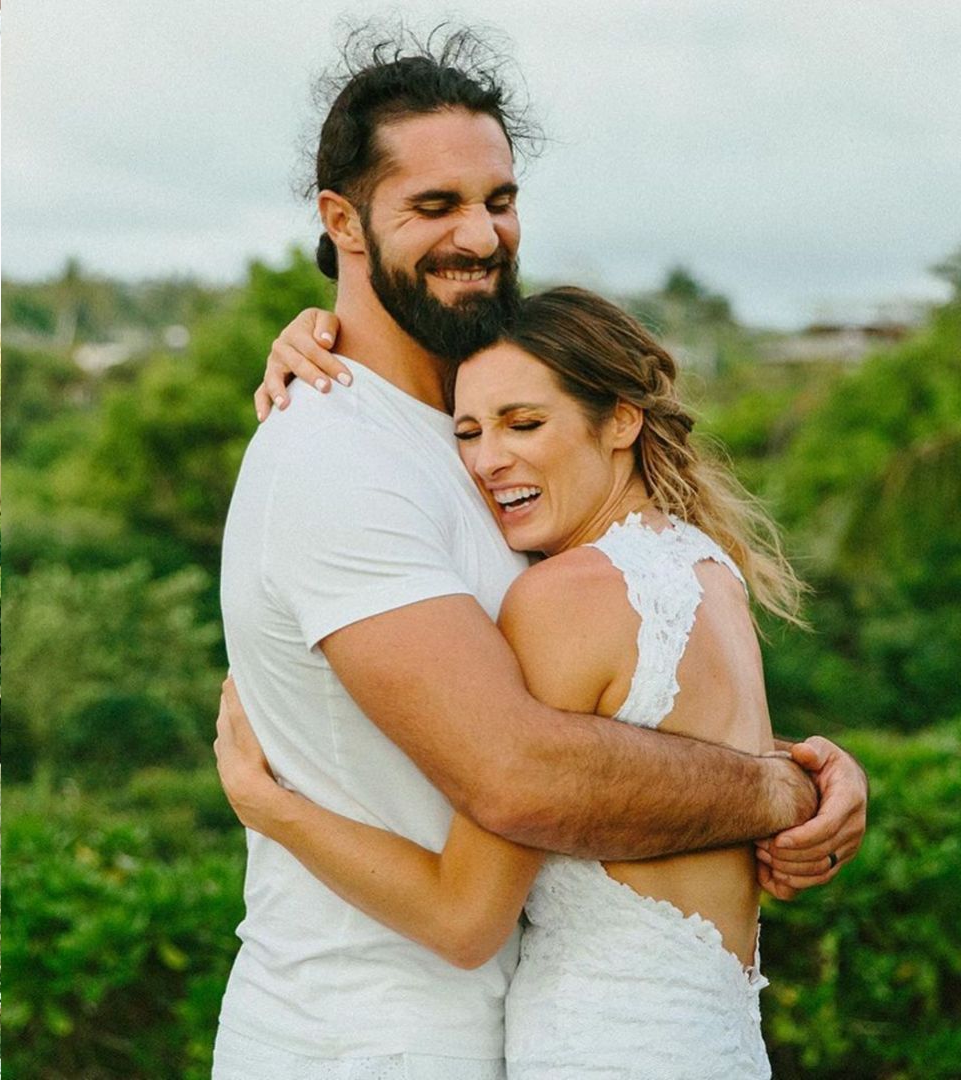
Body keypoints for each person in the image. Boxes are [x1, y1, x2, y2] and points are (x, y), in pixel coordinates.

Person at [207, 29, 867, 1079]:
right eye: (435, 207)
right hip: (365, 1037)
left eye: (499, 199)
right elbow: (517, 774)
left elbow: (625, 705)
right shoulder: (335, 458)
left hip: (518, 1025)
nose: (484, 235)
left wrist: (799, 770)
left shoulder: (476, 437)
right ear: (344, 222)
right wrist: (778, 790)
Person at [220, 285, 812, 1075]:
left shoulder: (563, 598)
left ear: (622, 421)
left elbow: (464, 916)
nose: (488, 459)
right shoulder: (709, 571)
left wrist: (271, 808)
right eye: (466, 431)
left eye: (524, 423)